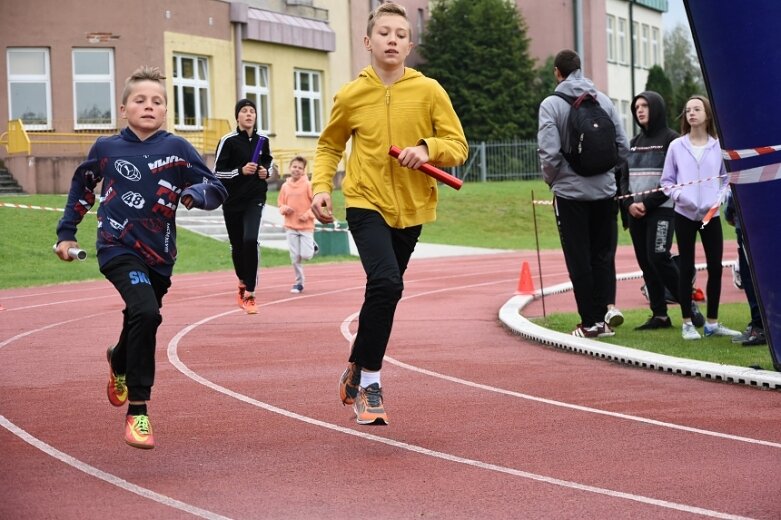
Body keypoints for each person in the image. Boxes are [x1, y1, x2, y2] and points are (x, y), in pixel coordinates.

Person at [54, 66, 227, 449]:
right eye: (140, 100)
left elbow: (214, 187)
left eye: (157, 101)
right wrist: (66, 234)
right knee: (147, 313)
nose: (149, 106)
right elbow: (81, 190)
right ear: (123, 108)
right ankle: (139, 411)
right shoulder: (106, 149)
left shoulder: (177, 149)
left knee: (140, 316)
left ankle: (118, 359)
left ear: (166, 110)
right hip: (116, 247)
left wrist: (194, 196)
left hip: (159, 255)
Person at [311, 2, 468, 426]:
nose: (393, 40)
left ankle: (358, 364)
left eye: (400, 34)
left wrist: (427, 148)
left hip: (413, 208)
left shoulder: (429, 90)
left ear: (410, 44)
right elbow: (329, 147)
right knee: (386, 282)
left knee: (384, 292)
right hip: (365, 201)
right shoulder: (351, 94)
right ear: (368, 42)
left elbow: (458, 145)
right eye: (384, 33)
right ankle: (371, 385)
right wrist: (321, 187)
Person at [537, 49, 630, 338]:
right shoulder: (602, 100)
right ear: (580, 69)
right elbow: (623, 147)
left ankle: (589, 321)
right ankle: (605, 318)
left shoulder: (551, 104)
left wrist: (555, 182)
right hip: (605, 192)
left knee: (578, 257)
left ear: (557, 72)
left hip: (570, 194)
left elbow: (549, 153)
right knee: (603, 255)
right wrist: (607, 176)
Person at [618, 91, 704, 330]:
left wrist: (647, 203)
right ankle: (660, 315)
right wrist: (629, 204)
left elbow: (675, 179)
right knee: (646, 262)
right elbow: (623, 178)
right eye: (636, 107)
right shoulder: (633, 144)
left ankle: (689, 306)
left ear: (656, 108)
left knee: (658, 256)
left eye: (644, 106)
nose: (640, 111)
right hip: (635, 212)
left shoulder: (672, 140)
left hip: (662, 210)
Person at [660, 95, 740, 340]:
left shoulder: (718, 146)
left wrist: (719, 199)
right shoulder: (676, 146)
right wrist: (683, 197)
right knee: (686, 267)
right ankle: (687, 323)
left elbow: (727, 180)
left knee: (715, 267)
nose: (691, 113)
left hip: (709, 215)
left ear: (707, 114)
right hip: (684, 214)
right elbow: (666, 182)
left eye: (697, 109)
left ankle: (712, 323)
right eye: (688, 110)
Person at [213, 98, 273, 314]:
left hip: (255, 197)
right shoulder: (227, 141)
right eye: (244, 111)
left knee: (250, 240)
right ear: (237, 116)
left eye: (252, 111)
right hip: (231, 201)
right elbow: (217, 172)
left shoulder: (262, 140)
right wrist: (240, 171)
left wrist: (266, 172)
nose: (249, 115)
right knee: (237, 245)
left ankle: (250, 292)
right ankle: (241, 282)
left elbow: (269, 163)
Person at [724, 191, 767, 346]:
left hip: (748, 220)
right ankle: (760, 324)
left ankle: (760, 326)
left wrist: (729, 212)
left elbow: (735, 189)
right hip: (750, 220)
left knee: (751, 276)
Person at [278, 155, 317, 293]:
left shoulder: (308, 185)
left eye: (300, 168)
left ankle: (312, 245)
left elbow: (317, 204)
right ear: (290, 168)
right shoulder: (285, 186)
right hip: (290, 226)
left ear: (304, 170)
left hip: (306, 226)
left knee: (306, 255)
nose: (297, 170)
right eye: (294, 167)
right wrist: (284, 209)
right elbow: (280, 203)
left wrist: (307, 215)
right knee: (295, 258)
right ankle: (299, 283)